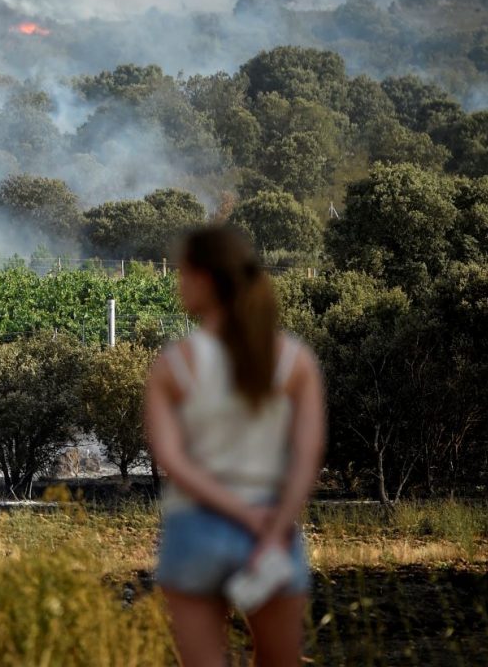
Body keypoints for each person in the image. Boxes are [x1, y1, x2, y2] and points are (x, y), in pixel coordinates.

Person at [145, 226, 325, 667]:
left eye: (181, 273)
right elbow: (307, 457)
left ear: (204, 278)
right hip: (271, 525)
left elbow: (171, 460)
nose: (177, 283)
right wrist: (271, 526)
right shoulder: (295, 361)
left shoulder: (173, 366)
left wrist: (238, 513)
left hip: (195, 528)